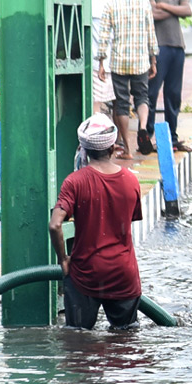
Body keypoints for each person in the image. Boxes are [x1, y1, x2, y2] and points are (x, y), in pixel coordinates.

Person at [48, 114, 144, 330]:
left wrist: (63, 259)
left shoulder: (75, 181)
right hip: (123, 273)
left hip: (86, 274)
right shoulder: (131, 180)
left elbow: (54, 225)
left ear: (84, 150)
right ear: (113, 148)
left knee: (78, 341)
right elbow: (129, 218)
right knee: (125, 342)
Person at [95, 0, 158, 159]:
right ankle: (142, 127)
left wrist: (101, 63)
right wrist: (153, 59)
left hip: (119, 61)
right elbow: (151, 33)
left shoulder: (111, 4)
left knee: (121, 103)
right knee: (142, 96)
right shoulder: (144, 3)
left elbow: (104, 35)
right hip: (140, 60)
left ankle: (129, 150)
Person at [140, 0, 191, 151]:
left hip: (177, 46)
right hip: (158, 47)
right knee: (152, 93)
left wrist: (164, 6)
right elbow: (152, 14)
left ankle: (173, 137)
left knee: (174, 94)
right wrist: (174, 10)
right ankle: (148, 136)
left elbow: (188, 11)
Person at [90, 0, 121, 117]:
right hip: (119, 64)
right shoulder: (122, 6)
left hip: (97, 63)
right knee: (120, 103)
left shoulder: (92, 3)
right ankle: (119, 138)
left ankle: (95, 135)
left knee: (95, 103)